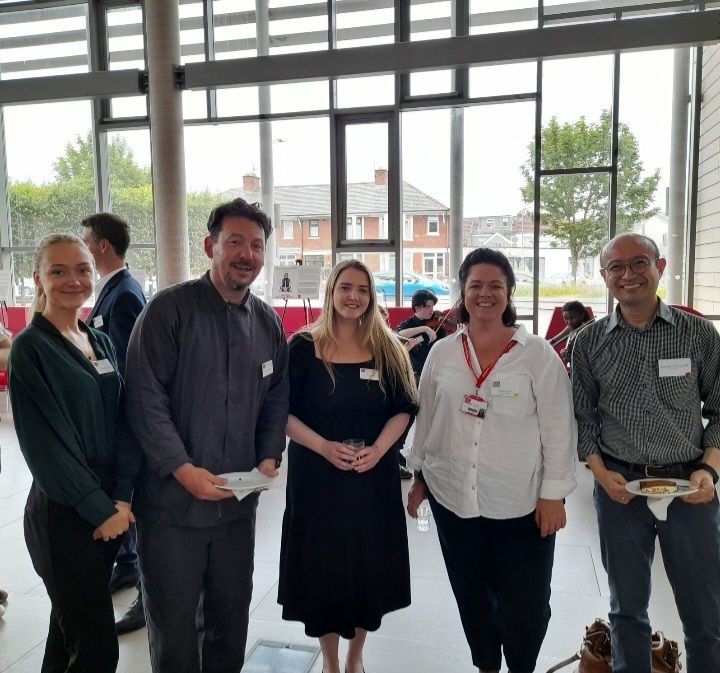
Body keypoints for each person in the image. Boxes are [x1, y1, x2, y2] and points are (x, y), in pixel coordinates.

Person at [125, 198, 289, 673]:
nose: (246, 254)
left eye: (256, 245)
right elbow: (144, 398)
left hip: (236, 507)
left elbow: (276, 396)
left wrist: (268, 458)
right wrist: (182, 468)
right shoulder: (168, 311)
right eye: (234, 242)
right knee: (175, 632)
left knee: (229, 623)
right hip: (172, 508)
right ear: (209, 246)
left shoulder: (266, 322)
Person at [406, 247, 577, 673]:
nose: (485, 294)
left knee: (527, 605)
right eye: (475, 285)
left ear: (509, 293)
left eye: (495, 286)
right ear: (462, 292)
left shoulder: (536, 354)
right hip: (453, 501)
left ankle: (521, 665)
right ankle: (485, 664)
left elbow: (559, 428)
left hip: (521, 504)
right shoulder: (443, 353)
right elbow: (428, 416)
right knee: (473, 599)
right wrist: (419, 474)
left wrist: (553, 495)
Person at [572, 232, 720, 673]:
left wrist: (709, 473)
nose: (628, 274)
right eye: (615, 267)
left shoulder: (698, 334)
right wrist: (600, 474)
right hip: (620, 488)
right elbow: (584, 420)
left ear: (660, 266)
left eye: (639, 263)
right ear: (604, 276)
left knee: (704, 612)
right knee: (626, 611)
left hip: (689, 487)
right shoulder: (589, 342)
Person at [8, 233, 140, 673]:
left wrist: (122, 496)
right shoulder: (32, 348)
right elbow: (46, 448)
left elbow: (124, 421)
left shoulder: (96, 341)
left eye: (82, 269)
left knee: (66, 637)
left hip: (109, 509)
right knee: (98, 648)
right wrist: (100, 510)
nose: (72, 280)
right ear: (39, 279)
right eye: (58, 271)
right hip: (64, 514)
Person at [278, 259, 418, 673]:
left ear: (371, 296)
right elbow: (281, 412)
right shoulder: (303, 347)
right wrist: (322, 446)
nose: (353, 297)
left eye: (362, 289)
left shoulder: (388, 347)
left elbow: (404, 408)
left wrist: (378, 450)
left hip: (370, 480)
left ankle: (356, 657)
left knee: (364, 568)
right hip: (316, 481)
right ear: (331, 292)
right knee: (324, 570)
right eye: (345, 288)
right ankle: (330, 660)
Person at [82, 212, 148, 634]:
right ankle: (125, 566)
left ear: (102, 245)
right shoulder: (112, 291)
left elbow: (129, 367)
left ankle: (145, 591)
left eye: (86, 241)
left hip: (126, 422)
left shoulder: (125, 295)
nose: (84, 247)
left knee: (134, 502)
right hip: (109, 420)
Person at [547, 300, 593, 365]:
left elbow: (586, 356)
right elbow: (553, 340)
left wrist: (570, 356)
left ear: (582, 315)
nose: (569, 321)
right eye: (566, 318)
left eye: (572, 318)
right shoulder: (572, 327)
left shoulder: (588, 331)